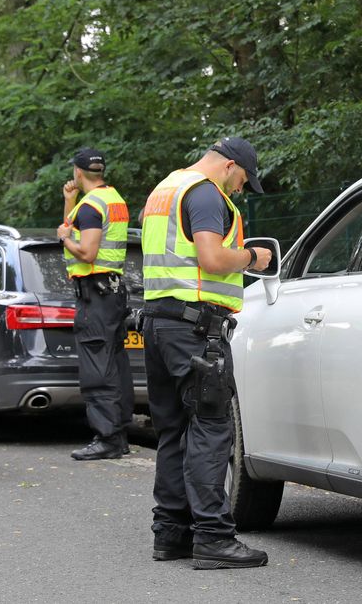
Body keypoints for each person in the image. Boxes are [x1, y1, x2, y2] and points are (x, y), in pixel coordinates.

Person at [140, 136, 272, 569]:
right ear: (230, 165)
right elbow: (212, 258)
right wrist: (252, 256)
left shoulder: (166, 188)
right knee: (211, 428)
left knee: (173, 430)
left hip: (158, 323)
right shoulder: (205, 194)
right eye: (243, 180)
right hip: (196, 329)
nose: (241, 189)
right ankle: (213, 538)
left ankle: (170, 534)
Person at [57, 148, 134, 461]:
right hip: (111, 291)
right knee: (115, 362)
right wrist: (69, 202)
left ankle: (107, 438)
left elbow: (87, 252)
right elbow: (76, 226)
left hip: (95, 293)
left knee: (97, 365)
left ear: (78, 172)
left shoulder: (91, 207)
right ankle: (119, 433)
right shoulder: (112, 199)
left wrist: (64, 239)